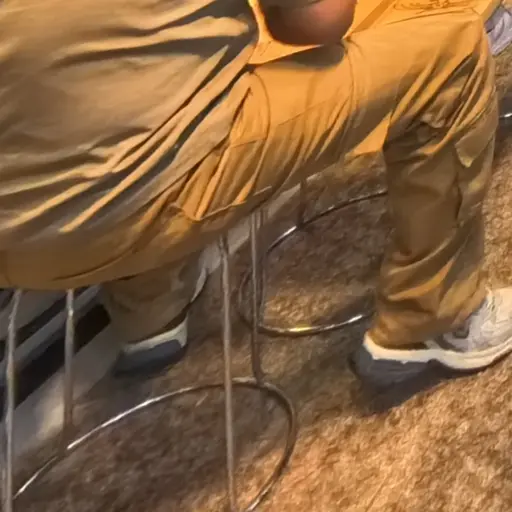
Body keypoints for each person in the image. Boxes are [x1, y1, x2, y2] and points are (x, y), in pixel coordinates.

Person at [0, 0, 507, 384]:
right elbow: (315, 24)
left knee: (132, 75)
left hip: (18, 248)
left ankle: (149, 316)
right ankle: (435, 318)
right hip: (147, 199)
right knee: (452, 51)